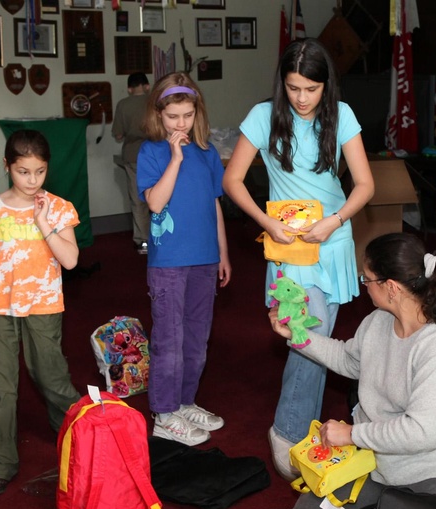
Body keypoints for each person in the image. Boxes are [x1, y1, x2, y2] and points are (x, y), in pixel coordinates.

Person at [269, 232, 436, 509]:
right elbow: (350, 359)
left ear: (392, 288)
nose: (363, 285)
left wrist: (351, 434)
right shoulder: (378, 321)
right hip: (377, 464)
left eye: (367, 278)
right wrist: (297, 335)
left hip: (435, 469)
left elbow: (420, 433)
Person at [222, 38, 375, 478]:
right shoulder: (263, 115)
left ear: (326, 86)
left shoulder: (341, 116)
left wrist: (335, 219)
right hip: (290, 246)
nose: (302, 98)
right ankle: (287, 433)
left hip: (334, 240)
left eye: (311, 89)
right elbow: (233, 180)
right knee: (306, 340)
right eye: (293, 88)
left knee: (320, 341)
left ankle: (302, 433)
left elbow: (364, 184)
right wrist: (264, 222)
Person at [0, 129, 82, 496]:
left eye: (39, 172)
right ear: (6, 166)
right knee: (0, 386)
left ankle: (81, 434)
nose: (32, 181)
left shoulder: (57, 207)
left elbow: (70, 260)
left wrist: (43, 224)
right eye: (24, 172)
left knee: (50, 376)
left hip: (44, 304)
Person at [136, 72, 231, 446]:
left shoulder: (207, 153)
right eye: (172, 116)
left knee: (196, 339)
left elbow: (214, 204)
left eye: (187, 115)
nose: (180, 124)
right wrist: (175, 158)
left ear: (197, 113)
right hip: (169, 263)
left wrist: (223, 251)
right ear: (159, 115)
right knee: (169, 341)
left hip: (205, 259)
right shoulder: (152, 151)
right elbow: (156, 202)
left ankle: (184, 401)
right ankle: (163, 412)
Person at [112, 72, 152, 254]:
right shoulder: (155, 102)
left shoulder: (123, 105)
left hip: (134, 155)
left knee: (138, 200)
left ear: (129, 89)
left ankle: (143, 241)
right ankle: (164, 237)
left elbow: (118, 135)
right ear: (147, 86)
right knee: (164, 196)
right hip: (158, 155)